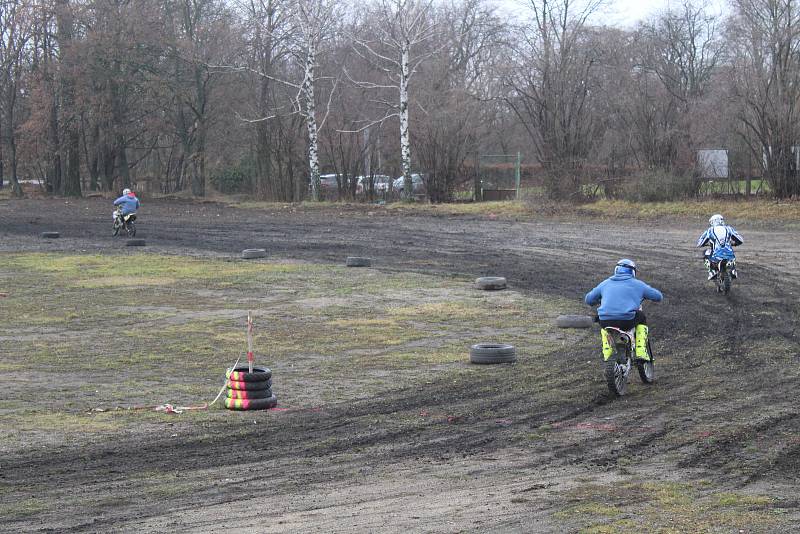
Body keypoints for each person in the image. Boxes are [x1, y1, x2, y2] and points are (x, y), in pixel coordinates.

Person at [584, 259, 663, 361]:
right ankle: (641, 351)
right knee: (641, 317)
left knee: (604, 325)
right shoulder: (638, 284)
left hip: (605, 320)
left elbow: (588, 299)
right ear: (633, 272)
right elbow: (658, 296)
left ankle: (607, 352)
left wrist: (597, 301)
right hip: (627, 321)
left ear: (616, 270)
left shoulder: (605, 283)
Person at [696, 214, 743, 280]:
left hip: (716, 257)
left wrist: (708, 244)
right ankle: (733, 269)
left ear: (713, 222)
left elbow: (699, 243)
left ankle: (712, 271)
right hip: (730, 256)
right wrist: (734, 244)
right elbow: (740, 240)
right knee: (731, 254)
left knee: (705, 253)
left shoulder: (710, 231)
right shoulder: (729, 229)